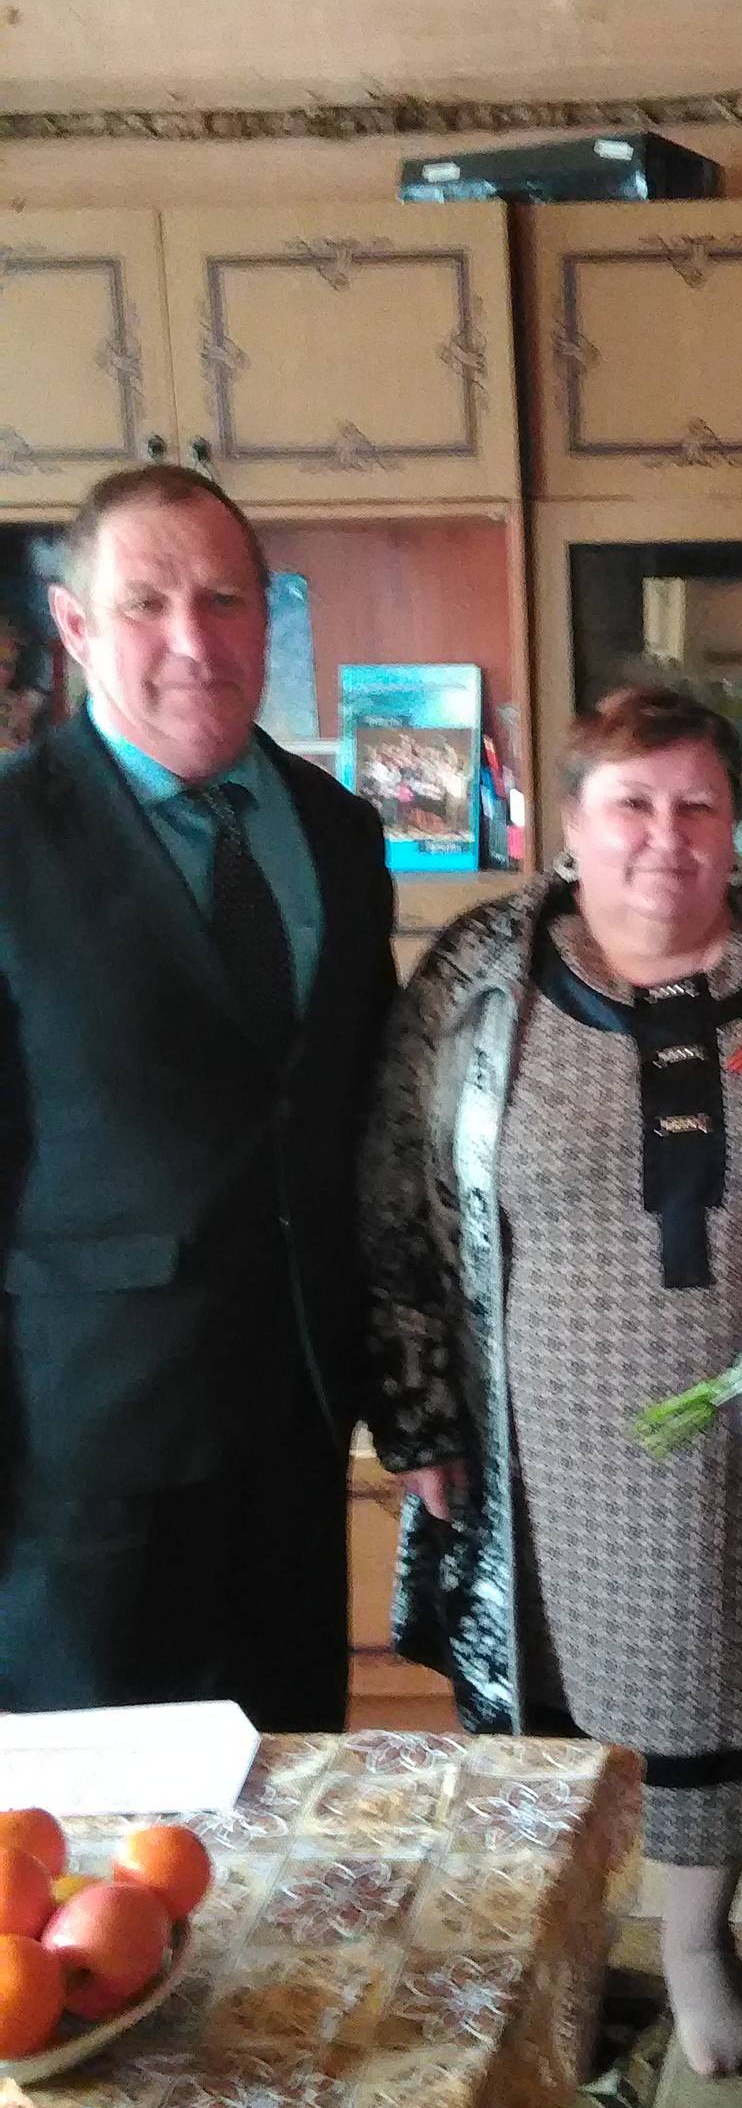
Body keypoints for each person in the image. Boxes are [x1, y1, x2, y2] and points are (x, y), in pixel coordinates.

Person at [360, 685, 742, 2078]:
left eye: (696, 804)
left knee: (724, 1683)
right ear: (570, 823)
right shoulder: (480, 970)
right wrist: (418, 1408)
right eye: (631, 803)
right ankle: (562, 1946)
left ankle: (695, 1942)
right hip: (537, 1436)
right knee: (546, 1701)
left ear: (736, 824)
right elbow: (391, 1191)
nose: (664, 836)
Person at [0, 463, 396, 1728]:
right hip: (83, 1455)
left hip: (298, 1427)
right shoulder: (11, 840)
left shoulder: (339, 832)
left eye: (224, 599)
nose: (193, 640)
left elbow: (359, 1119)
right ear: (75, 625)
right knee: (95, 1826)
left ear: (266, 616)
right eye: (146, 604)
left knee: (294, 1779)